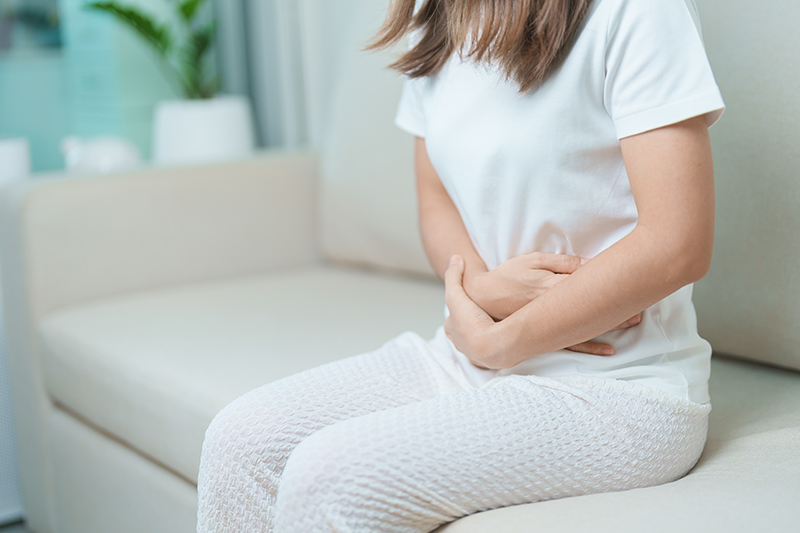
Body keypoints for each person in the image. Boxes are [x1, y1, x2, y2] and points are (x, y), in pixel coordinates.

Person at [196, 0, 726, 530]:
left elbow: (676, 243)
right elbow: (436, 201)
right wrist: (483, 293)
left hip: (619, 385)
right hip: (465, 358)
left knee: (328, 479)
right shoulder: (437, 14)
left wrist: (501, 341)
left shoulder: (637, 10)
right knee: (239, 441)